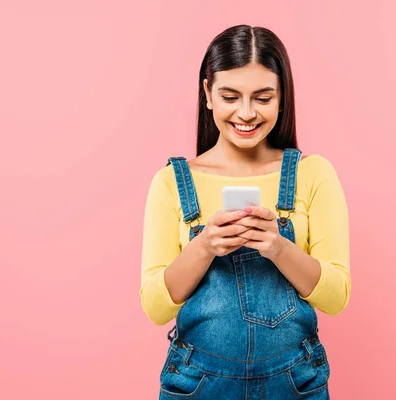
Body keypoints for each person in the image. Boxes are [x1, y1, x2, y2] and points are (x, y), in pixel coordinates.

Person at [140, 24, 351, 400]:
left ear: (283, 97)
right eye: (230, 96)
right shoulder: (171, 182)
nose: (246, 113)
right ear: (207, 94)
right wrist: (204, 246)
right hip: (197, 386)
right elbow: (155, 307)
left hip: (294, 384)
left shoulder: (312, 174)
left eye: (263, 97)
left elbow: (336, 297)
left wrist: (278, 247)